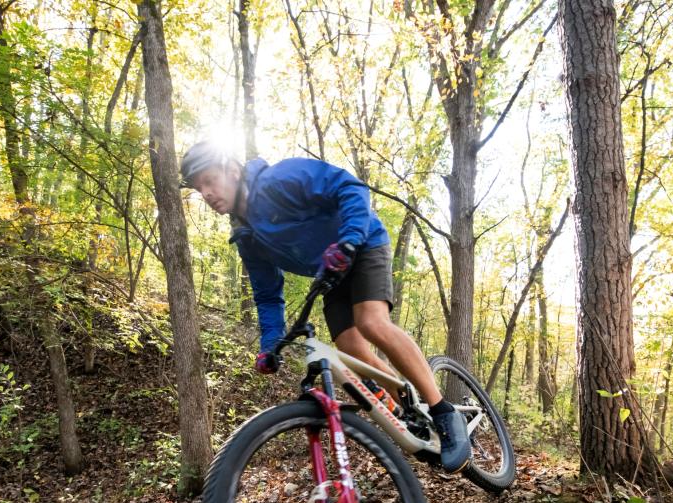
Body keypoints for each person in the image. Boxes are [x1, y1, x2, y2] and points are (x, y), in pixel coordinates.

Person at [180, 141, 471, 473]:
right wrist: (270, 344)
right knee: (349, 346)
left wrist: (348, 239)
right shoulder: (247, 236)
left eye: (209, 180)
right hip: (331, 272)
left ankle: (443, 411)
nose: (206, 193)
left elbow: (350, 187)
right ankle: (408, 411)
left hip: (362, 243)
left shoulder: (278, 179)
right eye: (199, 188)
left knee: (371, 323)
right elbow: (267, 295)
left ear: (232, 170)